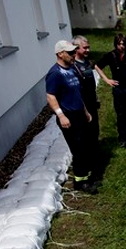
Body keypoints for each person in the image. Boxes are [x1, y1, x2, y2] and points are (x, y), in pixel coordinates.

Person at [46, 40, 98, 194]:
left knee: (85, 145)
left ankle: (86, 176)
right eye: (69, 53)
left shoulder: (71, 70)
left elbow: (77, 94)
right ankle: (81, 182)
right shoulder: (55, 73)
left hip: (79, 113)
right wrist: (61, 115)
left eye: (74, 52)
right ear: (60, 54)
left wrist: (85, 111)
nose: (73, 55)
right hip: (68, 116)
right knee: (78, 148)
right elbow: (50, 96)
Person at [71, 35, 100, 171]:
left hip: (92, 102)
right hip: (82, 107)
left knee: (94, 131)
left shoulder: (86, 63)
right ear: (76, 49)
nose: (88, 50)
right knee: (85, 136)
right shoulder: (74, 67)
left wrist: (96, 98)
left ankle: (95, 158)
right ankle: (87, 165)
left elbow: (91, 83)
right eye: (85, 48)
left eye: (88, 47)